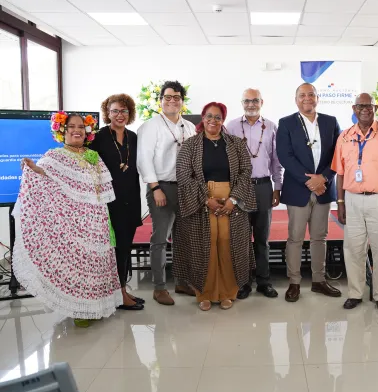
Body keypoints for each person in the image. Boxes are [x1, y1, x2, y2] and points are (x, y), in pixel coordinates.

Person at [14, 113, 122, 328]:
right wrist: (33, 169)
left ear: (87, 131)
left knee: (96, 262)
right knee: (78, 263)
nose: (77, 130)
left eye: (81, 127)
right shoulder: (54, 156)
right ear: (62, 131)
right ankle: (78, 309)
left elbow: (101, 189)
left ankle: (95, 307)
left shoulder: (93, 156)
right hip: (74, 223)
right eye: (71, 126)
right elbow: (44, 176)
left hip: (96, 218)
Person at [173, 102, 257, 311]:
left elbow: (246, 171)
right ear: (202, 118)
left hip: (231, 201)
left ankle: (228, 293)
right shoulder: (190, 145)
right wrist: (205, 199)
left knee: (228, 244)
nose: (213, 120)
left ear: (223, 120)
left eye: (218, 117)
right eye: (209, 116)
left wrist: (233, 200)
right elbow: (183, 175)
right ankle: (205, 293)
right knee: (206, 246)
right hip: (202, 201)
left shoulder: (236, 144)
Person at [332, 93, 378, 312]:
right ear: (354, 109)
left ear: (375, 108)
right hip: (352, 200)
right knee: (353, 249)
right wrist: (340, 203)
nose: (365, 109)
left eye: (369, 106)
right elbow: (340, 173)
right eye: (361, 106)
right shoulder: (344, 136)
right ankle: (355, 293)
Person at [276, 83, 342, 302]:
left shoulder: (330, 122)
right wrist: (309, 181)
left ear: (317, 98)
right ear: (296, 99)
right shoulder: (286, 123)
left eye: (311, 94)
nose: (307, 98)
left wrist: (323, 178)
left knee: (319, 238)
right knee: (295, 238)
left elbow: (338, 154)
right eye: (302, 95)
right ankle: (294, 282)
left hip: (324, 188)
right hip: (298, 189)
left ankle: (318, 281)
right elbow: (285, 156)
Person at [136, 80, 197, 306]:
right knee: (160, 240)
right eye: (168, 97)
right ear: (160, 100)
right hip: (161, 187)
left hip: (185, 188)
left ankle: (182, 281)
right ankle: (159, 287)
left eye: (177, 97)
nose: (172, 101)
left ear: (182, 101)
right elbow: (143, 159)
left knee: (183, 239)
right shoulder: (150, 126)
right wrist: (155, 188)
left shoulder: (189, 127)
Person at [226, 88, 282, 299]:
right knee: (240, 238)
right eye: (247, 101)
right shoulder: (231, 126)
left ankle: (264, 282)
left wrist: (277, 187)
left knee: (262, 238)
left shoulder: (271, 127)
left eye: (255, 101)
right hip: (239, 188)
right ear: (242, 103)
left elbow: (276, 160)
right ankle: (243, 282)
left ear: (261, 102)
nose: (251, 104)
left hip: (263, 187)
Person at [89, 94, 144, 311]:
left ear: (129, 113)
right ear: (107, 113)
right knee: (115, 249)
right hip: (109, 201)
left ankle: (122, 289)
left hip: (131, 198)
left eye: (124, 111)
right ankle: (118, 293)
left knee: (125, 246)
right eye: (115, 111)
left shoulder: (134, 137)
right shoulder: (98, 138)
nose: (119, 115)